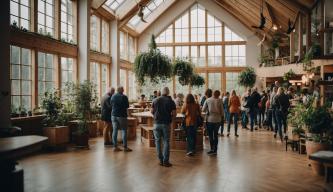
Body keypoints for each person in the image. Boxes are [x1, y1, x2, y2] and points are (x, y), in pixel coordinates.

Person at [151, 87, 176, 167]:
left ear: (161, 92)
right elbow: (174, 113)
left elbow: (151, 111)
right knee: (166, 142)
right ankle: (166, 161)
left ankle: (160, 160)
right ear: (168, 93)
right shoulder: (171, 101)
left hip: (156, 123)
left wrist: (155, 117)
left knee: (157, 141)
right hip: (166, 124)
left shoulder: (155, 100)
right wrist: (171, 119)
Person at [110, 86, 132, 152]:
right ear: (121, 90)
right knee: (124, 130)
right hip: (122, 116)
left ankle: (115, 147)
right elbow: (127, 106)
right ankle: (125, 147)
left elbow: (111, 104)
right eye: (123, 89)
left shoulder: (113, 96)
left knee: (115, 130)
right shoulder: (124, 97)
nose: (124, 90)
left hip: (113, 115)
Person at [202, 89, 223, 155]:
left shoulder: (208, 100)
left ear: (213, 93)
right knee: (216, 135)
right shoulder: (220, 100)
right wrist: (222, 118)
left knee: (211, 135)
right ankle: (215, 150)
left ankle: (212, 149)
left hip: (210, 119)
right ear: (219, 95)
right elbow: (222, 112)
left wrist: (208, 111)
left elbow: (203, 109)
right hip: (218, 119)